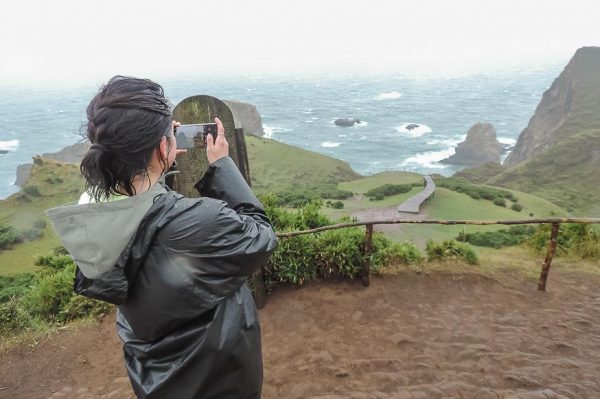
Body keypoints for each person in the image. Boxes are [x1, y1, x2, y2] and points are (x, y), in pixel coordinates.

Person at [46, 76, 278, 398]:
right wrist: (222, 164)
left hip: (155, 379)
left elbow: (146, 221)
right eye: (170, 134)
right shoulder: (200, 222)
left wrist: (158, 167)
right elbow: (262, 235)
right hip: (217, 378)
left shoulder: (91, 215)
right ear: (160, 146)